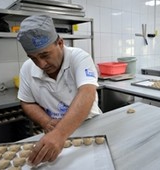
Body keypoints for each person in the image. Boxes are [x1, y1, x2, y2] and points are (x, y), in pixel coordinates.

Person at [16, 15, 101, 166]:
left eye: (45, 55)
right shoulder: (27, 68)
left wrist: (60, 133)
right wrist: (46, 122)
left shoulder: (79, 58)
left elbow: (87, 93)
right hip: (54, 134)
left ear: (60, 43)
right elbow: (27, 102)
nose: (41, 64)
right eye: (34, 58)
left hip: (90, 126)